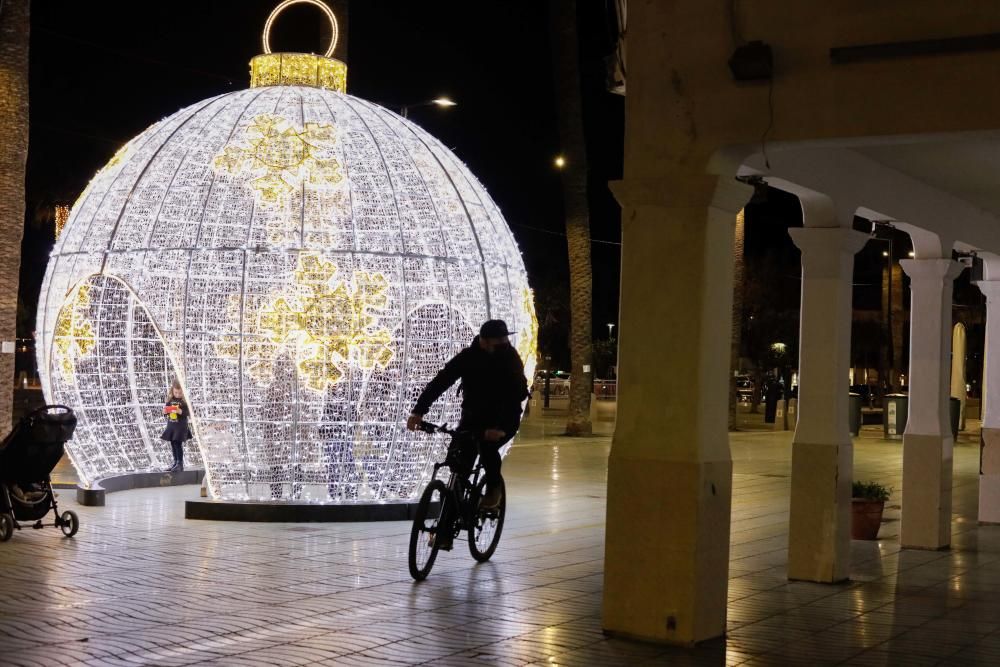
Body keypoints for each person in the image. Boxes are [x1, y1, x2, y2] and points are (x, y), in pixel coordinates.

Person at [407, 319, 529, 517]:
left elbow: (518, 394)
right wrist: (419, 411)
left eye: (505, 339)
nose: (504, 343)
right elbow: (441, 382)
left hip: (505, 417)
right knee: (458, 465)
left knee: (488, 447)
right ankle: (444, 531)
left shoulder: (510, 358)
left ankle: (493, 489)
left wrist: (498, 427)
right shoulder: (468, 357)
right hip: (473, 418)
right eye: (498, 340)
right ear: (484, 341)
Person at [161, 380, 192, 472]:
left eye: (180, 393)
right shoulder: (170, 400)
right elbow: (166, 412)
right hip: (172, 426)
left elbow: (188, 413)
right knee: (173, 444)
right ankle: (175, 462)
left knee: (177, 444)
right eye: (176, 392)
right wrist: (165, 412)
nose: (178, 394)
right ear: (172, 391)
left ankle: (180, 463)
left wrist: (180, 411)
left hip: (180, 427)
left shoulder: (184, 402)